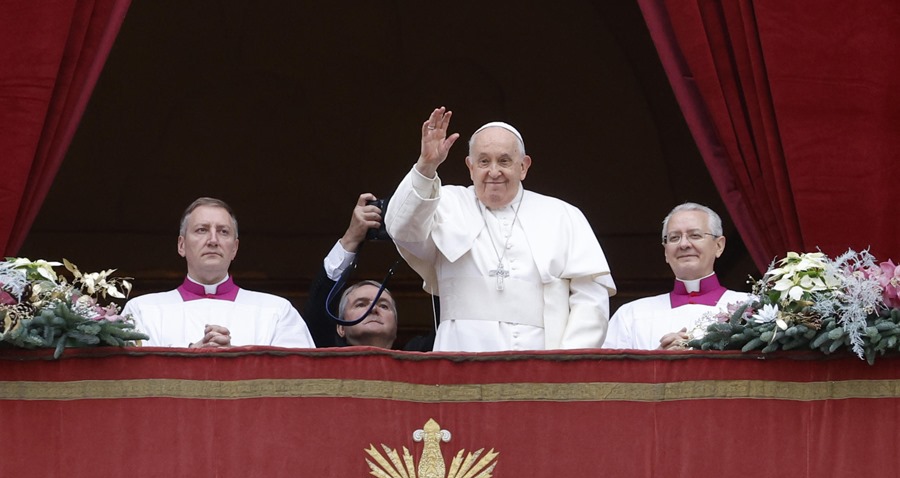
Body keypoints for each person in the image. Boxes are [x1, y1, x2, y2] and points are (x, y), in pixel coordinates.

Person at [384, 106, 616, 352]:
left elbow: (591, 298)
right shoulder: (445, 203)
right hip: (460, 359)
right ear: (470, 167)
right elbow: (400, 228)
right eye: (484, 161)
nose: (494, 172)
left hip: (540, 365)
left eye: (504, 161)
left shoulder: (562, 215)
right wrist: (426, 166)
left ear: (523, 166)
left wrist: (566, 362)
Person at [123, 197, 315, 348]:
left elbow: (299, 380)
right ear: (181, 245)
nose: (213, 240)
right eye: (201, 230)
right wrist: (188, 355)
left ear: (235, 248)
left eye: (223, 231)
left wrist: (235, 360)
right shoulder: (142, 311)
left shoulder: (278, 312)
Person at [602, 202, 749, 350]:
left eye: (695, 235)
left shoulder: (751, 307)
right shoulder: (630, 315)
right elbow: (607, 371)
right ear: (666, 252)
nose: (684, 244)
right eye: (674, 238)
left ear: (719, 246)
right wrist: (656, 361)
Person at [304, 194, 431, 350]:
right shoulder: (328, 357)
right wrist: (351, 237)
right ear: (340, 328)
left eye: (384, 306)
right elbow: (319, 309)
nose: (373, 309)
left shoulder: (418, 359)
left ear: (396, 327)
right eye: (360, 304)